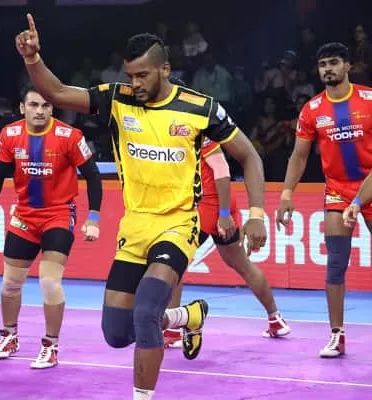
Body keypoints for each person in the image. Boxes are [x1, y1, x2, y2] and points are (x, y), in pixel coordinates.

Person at [15, 14, 267, 399]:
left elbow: (249, 156)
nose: (136, 84)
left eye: (143, 75)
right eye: (131, 75)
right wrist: (33, 58)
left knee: (146, 310)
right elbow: (59, 92)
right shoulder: (118, 99)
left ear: (165, 69)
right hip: (134, 227)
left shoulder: (200, 108)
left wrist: (256, 214)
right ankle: (187, 316)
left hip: (178, 225)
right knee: (117, 333)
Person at [0, 85, 102, 368]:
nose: (40, 111)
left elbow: (92, 176)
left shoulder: (70, 136)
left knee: (49, 281)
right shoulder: (9, 134)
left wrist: (93, 217)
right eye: (33, 105)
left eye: (45, 106)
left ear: (52, 108)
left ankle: (51, 345)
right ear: (22, 108)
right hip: (24, 216)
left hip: (58, 215)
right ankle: (10, 336)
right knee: (10, 284)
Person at [276, 42, 372, 358]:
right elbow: (299, 156)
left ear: (347, 66)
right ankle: (336, 334)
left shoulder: (369, 100)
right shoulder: (312, 109)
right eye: (322, 64)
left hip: (371, 185)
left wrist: (359, 201)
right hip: (338, 191)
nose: (327, 69)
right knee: (335, 264)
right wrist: (287, 192)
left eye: (333, 62)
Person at [164, 138, 291, 348]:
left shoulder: (198, 129)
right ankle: (275, 319)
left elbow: (222, 169)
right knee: (241, 264)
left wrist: (223, 214)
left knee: (174, 261)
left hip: (209, 205)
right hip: (216, 203)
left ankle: (172, 331)